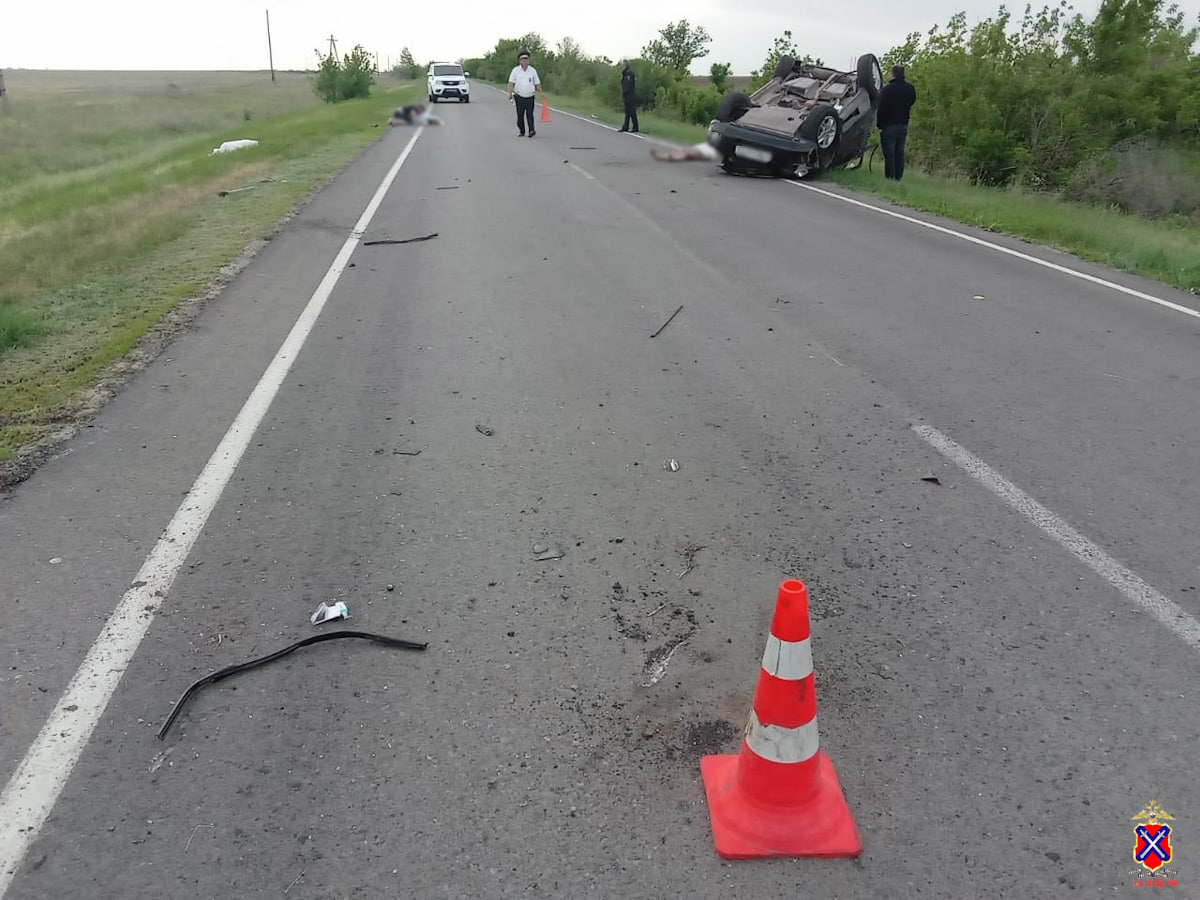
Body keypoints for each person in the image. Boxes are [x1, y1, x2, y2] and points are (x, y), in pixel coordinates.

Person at [875, 65, 917, 180]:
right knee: (899, 154)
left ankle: (890, 178)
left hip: (889, 125)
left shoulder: (888, 89)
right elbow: (912, 101)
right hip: (903, 124)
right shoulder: (910, 88)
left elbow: (881, 108)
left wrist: (879, 124)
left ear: (893, 74)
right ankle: (898, 179)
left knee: (889, 155)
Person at [507, 51, 544, 137]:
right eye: (523, 60)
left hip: (530, 96)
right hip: (519, 96)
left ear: (528, 60)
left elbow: (537, 83)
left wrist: (542, 93)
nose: (525, 61)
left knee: (529, 114)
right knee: (520, 115)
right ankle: (522, 130)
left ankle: (531, 130)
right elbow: (511, 83)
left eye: (526, 59)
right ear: (520, 61)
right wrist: (509, 93)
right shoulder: (515, 70)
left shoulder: (532, 71)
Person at [618, 59, 639, 133]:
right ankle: (625, 127)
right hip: (626, 96)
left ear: (626, 65)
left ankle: (635, 127)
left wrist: (625, 91)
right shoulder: (625, 74)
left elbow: (629, 85)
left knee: (632, 112)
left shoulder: (630, 73)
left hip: (630, 96)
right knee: (627, 112)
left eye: (623, 65)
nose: (622, 66)